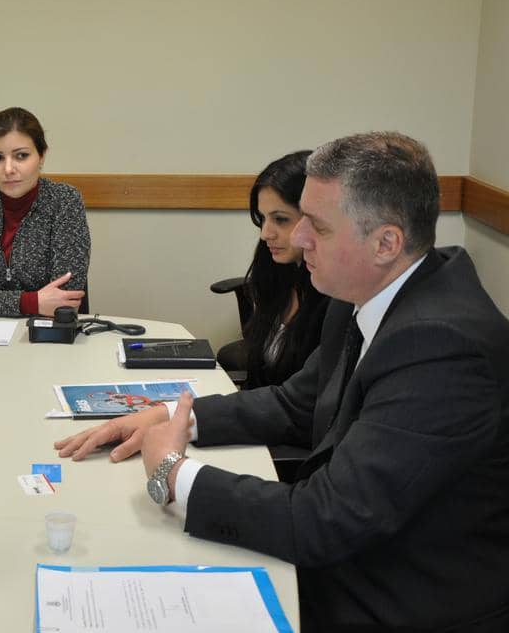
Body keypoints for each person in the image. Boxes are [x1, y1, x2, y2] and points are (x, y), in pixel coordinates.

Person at [55, 132, 509, 631]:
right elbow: (295, 404)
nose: (296, 239)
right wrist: (168, 416)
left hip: (396, 598)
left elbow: (325, 520)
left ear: (386, 243)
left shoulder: (442, 347)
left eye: (316, 226)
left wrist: (171, 471)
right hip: (349, 559)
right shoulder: (363, 292)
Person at [0, 107, 90, 317]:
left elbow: (65, 295)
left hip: (43, 337)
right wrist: (30, 302)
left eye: (21, 156)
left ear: (42, 155)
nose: (8, 169)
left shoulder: (64, 201)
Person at [240, 150, 328, 389]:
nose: (265, 233)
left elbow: (306, 401)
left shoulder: (335, 293)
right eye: (262, 218)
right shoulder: (277, 270)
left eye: (280, 219)